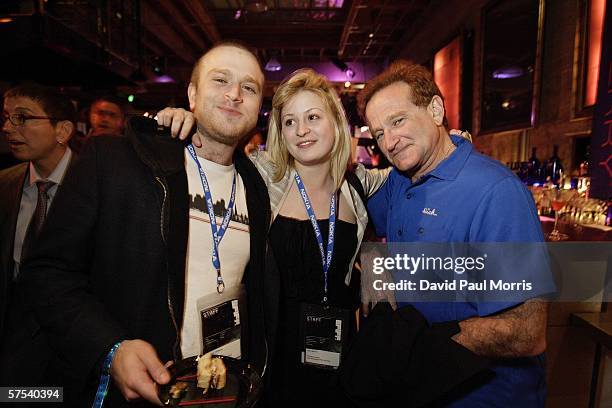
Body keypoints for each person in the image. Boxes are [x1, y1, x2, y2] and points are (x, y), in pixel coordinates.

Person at [158, 69, 485, 407]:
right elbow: (211, 157)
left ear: (335, 122)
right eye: (289, 122)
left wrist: (452, 141)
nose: (301, 131)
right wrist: (183, 123)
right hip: (272, 354)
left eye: (313, 117)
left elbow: (417, 159)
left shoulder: (358, 184)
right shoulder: (261, 178)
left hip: (340, 352)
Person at [18, 42, 270, 406]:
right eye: (221, 80)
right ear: (192, 94)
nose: (234, 94)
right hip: (134, 391)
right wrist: (111, 347)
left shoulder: (257, 190)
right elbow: (46, 273)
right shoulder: (114, 161)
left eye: (249, 88)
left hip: (218, 390)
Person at [358, 61, 550, 406]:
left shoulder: (495, 191)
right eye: (379, 133)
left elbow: (527, 330)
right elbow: (362, 225)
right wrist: (375, 269)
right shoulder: (400, 183)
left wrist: (428, 343)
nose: (389, 141)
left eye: (398, 120)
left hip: (487, 396)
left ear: (435, 109)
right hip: (424, 390)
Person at [0, 84, 76, 386]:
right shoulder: (5, 184)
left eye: (22, 118)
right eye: (6, 117)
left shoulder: (98, 184)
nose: (7, 128)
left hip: (71, 347)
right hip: (14, 341)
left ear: (62, 130)